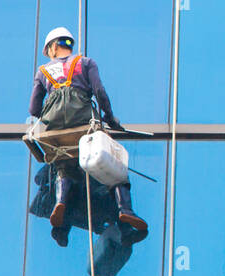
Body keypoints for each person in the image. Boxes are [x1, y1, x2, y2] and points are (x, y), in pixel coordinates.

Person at [28, 26, 146, 240]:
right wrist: (111, 119)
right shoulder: (85, 63)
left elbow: (33, 109)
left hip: (54, 125)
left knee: (63, 161)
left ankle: (61, 200)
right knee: (115, 168)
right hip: (83, 120)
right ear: (68, 45)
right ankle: (125, 210)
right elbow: (99, 92)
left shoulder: (42, 71)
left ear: (53, 47)